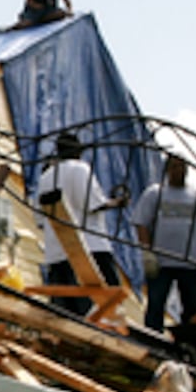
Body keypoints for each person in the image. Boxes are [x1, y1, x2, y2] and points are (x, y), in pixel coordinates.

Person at [36, 132, 128, 315]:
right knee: (105, 308)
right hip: (90, 251)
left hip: (56, 254)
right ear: (77, 150)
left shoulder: (45, 177)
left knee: (64, 313)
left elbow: (40, 220)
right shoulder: (80, 169)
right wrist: (117, 202)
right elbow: (93, 204)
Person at [130, 154, 196, 330]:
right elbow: (141, 224)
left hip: (190, 263)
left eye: (182, 167)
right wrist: (147, 253)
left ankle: (190, 344)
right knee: (156, 304)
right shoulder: (155, 194)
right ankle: (153, 340)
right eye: (175, 167)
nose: (179, 171)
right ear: (167, 170)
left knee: (192, 309)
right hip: (161, 262)